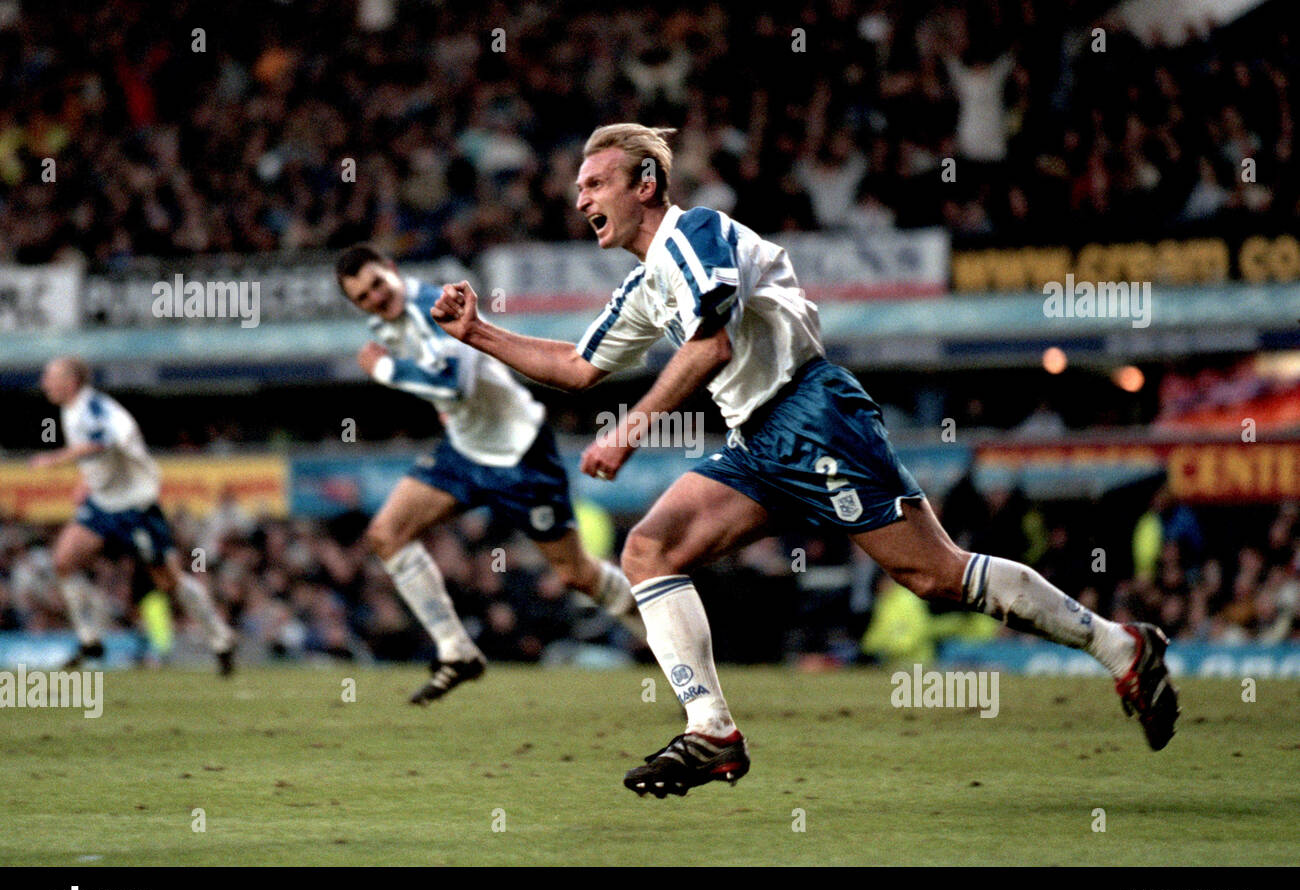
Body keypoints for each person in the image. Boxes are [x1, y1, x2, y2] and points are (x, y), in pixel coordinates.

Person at [426, 124, 1180, 797]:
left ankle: (1122, 644)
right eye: (578, 186)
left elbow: (711, 345)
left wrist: (632, 429)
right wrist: (479, 333)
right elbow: (579, 366)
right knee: (649, 548)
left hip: (812, 413)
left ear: (644, 184)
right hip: (758, 440)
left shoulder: (697, 235)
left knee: (931, 574)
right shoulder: (648, 282)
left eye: (595, 183)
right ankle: (712, 728)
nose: (580, 197)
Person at [335, 245, 645, 703]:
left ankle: (668, 642)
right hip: (464, 451)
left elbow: (452, 382)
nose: (376, 298)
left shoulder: (436, 307)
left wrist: (383, 369)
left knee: (576, 573)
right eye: (363, 297)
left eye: (378, 284)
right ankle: (457, 651)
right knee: (386, 534)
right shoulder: (385, 325)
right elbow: (447, 390)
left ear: (394, 271)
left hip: (520, 453)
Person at [31, 356, 238, 675]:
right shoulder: (71, 410)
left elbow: (102, 443)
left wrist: (55, 459)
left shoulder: (96, 409)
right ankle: (90, 640)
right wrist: (86, 483)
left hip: (135, 507)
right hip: (102, 504)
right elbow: (102, 456)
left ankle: (220, 637)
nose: (44, 382)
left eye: (50, 376)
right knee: (63, 560)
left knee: (169, 582)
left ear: (70, 383)